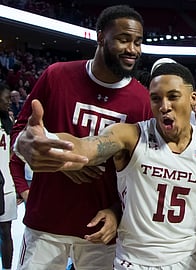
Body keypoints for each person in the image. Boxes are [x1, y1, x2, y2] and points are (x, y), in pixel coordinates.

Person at [15, 62, 196, 270]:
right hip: (132, 261)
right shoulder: (130, 135)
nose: (164, 106)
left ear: (193, 99)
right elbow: (87, 146)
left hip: (186, 259)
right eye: (156, 99)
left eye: (173, 97)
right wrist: (46, 140)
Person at [10, 5, 153, 269]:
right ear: (101, 37)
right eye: (123, 39)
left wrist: (118, 212)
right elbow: (20, 133)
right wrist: (27, 147)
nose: (132, 49)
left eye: (138, 42)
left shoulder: (142, 100)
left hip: (101, 229)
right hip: (46, 224)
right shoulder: (56, 75)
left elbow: (140, 175)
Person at [0, 83, 16, 270]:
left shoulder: (7, 122)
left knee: (6, 232)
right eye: (5, 99)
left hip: (6, 186)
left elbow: (11, 155)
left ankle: (7, 268)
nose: (9, 102)